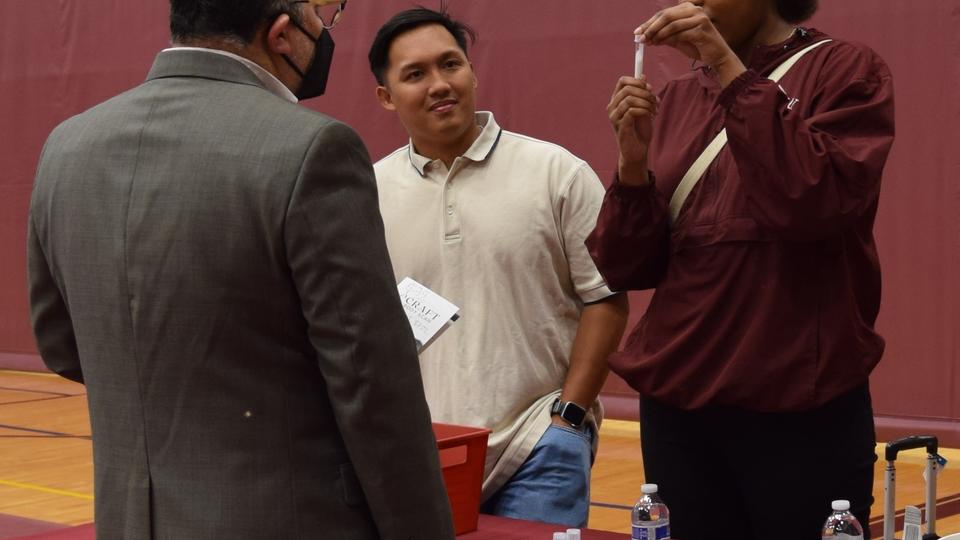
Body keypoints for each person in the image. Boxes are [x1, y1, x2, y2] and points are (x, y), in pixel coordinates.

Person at [27, 1, 455, 538]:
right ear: (282, 34)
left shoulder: (66, 146)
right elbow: (371, 387)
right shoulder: (313, 149)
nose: (325, 32)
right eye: (323, 16)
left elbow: (60, 346)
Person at [587, 0, 894, 538]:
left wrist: (729, 69)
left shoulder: (846, 68)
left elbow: (811, 201)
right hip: (681, 398)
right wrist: (631, 167)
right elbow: (625, 264)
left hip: (800, 395)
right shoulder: (679, 97)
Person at [367, 8, 629, 528]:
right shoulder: (366, 193)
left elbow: (606, 298)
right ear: (386, 96)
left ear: (472, 71)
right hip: (420, 458)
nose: (440, 84)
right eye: (415, 74)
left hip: (538, 448)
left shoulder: (557, 172)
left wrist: (569, 418)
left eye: (451, 64)